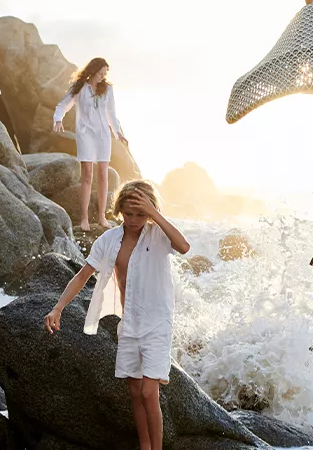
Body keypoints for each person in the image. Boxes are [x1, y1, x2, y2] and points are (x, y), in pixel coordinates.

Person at [44, 180, 190, 450]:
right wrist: (58, 307)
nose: (135, 220)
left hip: (157, 322)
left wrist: (154, 214)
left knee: (149, 392)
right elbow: (82, 275)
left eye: (141, 214)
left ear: (150, 212)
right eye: (129, 213)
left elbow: (183, 246)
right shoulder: (109, 241)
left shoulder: (157, 234)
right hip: (130, 321)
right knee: (135, 392)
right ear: (119, 210)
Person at [52, 57, 128, 231]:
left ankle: (102, 216)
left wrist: (119, 134)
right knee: (87, 175)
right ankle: (84, 218)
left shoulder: (107, 89)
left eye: (105, 74)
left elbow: (111, 114)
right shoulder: (79, 87)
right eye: (101, 73)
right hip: (85, 134)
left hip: (103, 135)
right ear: (93, 70)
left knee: (103, 174)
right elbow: (63, 105)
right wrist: (58, 120)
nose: (102, 76)